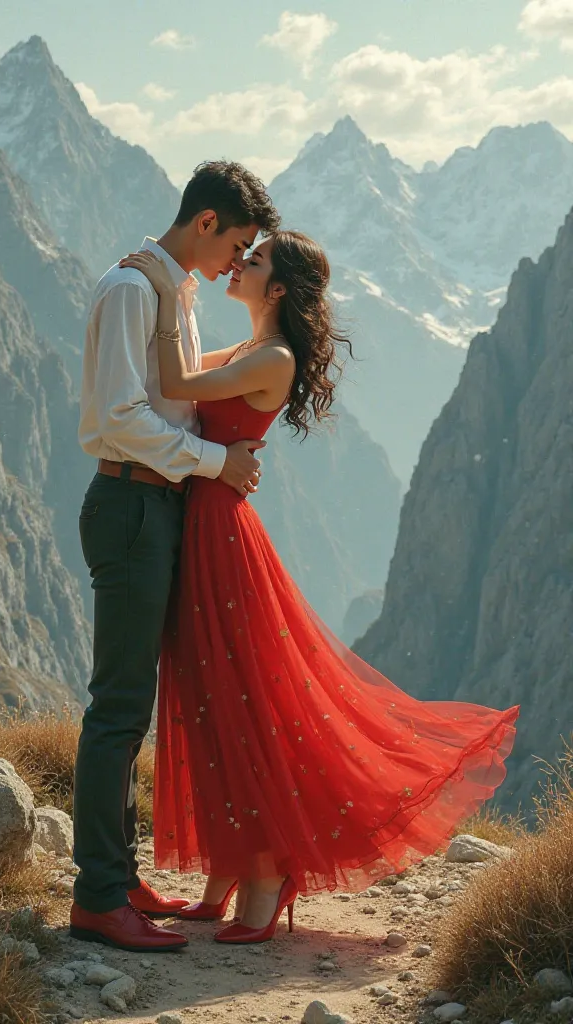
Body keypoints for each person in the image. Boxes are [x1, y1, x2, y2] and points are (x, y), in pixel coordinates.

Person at [119, 230, 520, 945]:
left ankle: (268, 873)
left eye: (256, 259)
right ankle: (229, 867)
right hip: (207, 524)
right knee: (210, 697)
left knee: (240, 701)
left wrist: (169, 280)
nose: (240, 264)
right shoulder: (250, 351)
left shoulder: (272, 357)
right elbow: (167, 375)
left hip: (221, 536)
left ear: (276, 290)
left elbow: (176, 383)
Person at [70, 162, 281, 952]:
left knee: (134, 710)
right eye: (237, 242)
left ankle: (118, 878)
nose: (237, 259)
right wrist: (213, 462)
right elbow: (121, 417)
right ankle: (97, 896)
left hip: (155, 504)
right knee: (119, 707)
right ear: (205, 224)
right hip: (130, 502)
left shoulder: (177, 293)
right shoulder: (133, 291)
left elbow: (179, 399)